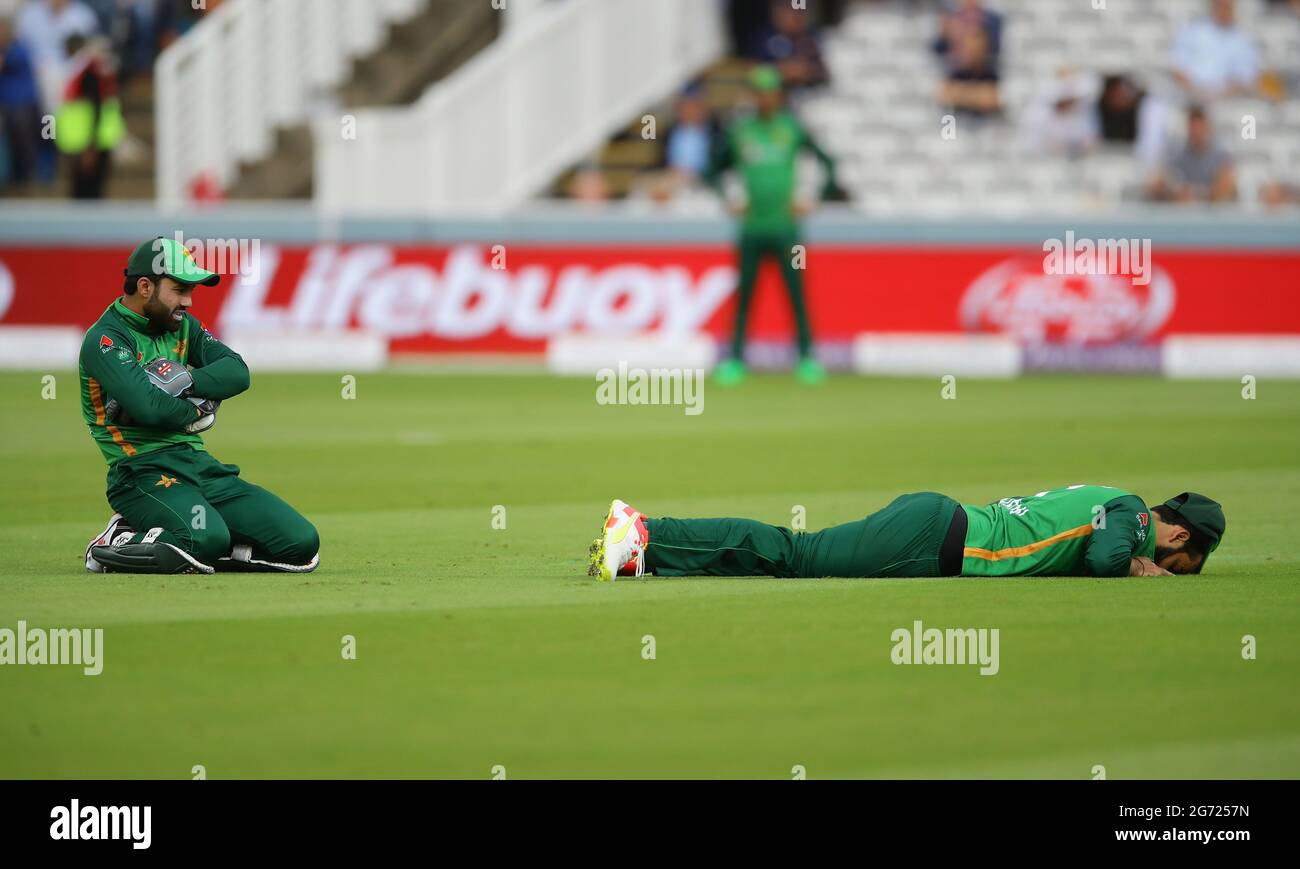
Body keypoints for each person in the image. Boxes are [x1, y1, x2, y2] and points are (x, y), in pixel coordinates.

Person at [80, 237, 320, 575]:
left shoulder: (183, 327)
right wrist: (198, 411)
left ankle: (202, 546)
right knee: (203, 537)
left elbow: (237, 372)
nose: (188, 302)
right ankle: (118, 536)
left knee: (300, 542)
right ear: (146, 286)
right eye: (179, 289)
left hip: (198, 466)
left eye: (191, 291)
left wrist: (187, 382)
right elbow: (150, 409)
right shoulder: (105, 340)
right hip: (141, 472)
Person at [586, 487, 1224, 581]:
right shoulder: (1135, 514)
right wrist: (1137, 568)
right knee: (797, 555)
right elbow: (1106, 553)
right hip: (937, 535)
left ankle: (642, 556)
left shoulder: (1121, 503)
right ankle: (643, 531)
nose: (1183, 570)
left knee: (795, 557)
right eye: (1190, 561)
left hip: (938, 530)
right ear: (1180, 539)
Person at [705, 65, 842, 387]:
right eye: (759, 91)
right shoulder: (740, 131)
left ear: (778, 95)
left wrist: (814, 197)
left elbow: (828, 163)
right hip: (751, 229)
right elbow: (712, 169)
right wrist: (729, 197)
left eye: (770, 91)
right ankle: (736, 360)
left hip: (787, 231)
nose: (765, 98)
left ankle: (807, 359)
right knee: (744, 299)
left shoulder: (792, 128)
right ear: (752, 95)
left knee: (797, 296)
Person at [1170, 0, 1260, 101]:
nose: (1224, 10)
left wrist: (1221, 94)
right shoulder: (1194, 31)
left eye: (1227, 6)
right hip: (1190, 97)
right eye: (1220, 5)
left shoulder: (1243, 39)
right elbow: (1177, 68)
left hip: (1227, 100)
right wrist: (1197, 92)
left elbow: (1246, 77)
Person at [1147, 105, 1237, 204]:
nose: (1195, 130)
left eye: (1199, 125)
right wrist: (1173, 192)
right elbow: (1159, 182)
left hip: (1211, 212)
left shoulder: (1220, 155)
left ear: (1207, 126)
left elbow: (1225, 187)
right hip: (1181, 210)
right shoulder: (1177, 153)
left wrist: (1198, 196)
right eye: (1192, 125)